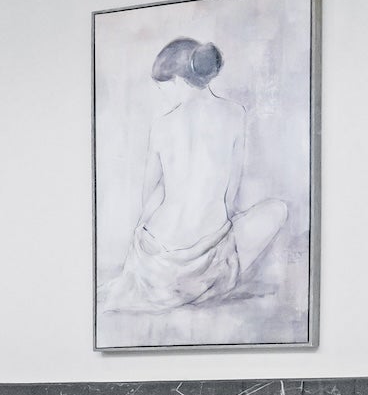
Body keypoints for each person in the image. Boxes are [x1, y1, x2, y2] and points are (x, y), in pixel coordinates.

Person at [101, 37, 288, 314]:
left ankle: (165, 278)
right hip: (207, 263)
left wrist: (137, 251)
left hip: (154, 262)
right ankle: (198, 283)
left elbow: (149, 195)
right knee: (277, 209)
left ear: (177, 80)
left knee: (166, 199)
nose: (164, 95)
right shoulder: (235, 114)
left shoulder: (162, 125)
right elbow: (230, 194)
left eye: (163, 87)